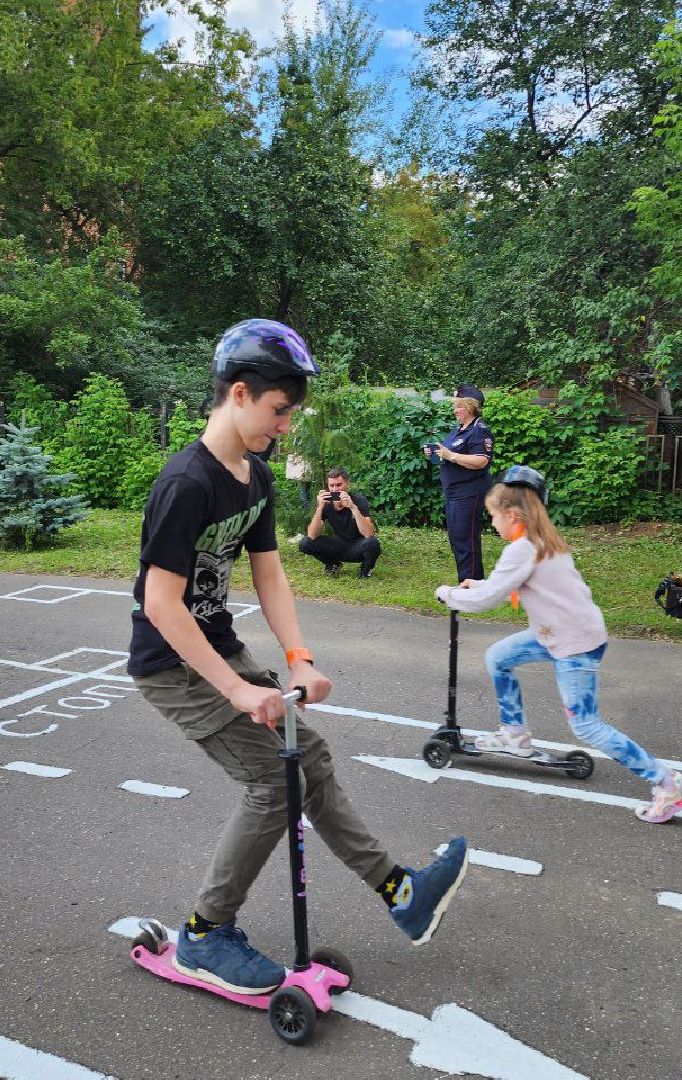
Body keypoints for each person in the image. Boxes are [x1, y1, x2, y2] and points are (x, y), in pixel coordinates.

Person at [128, 318, 469, 995]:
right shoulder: (185, 483)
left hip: (218, 645)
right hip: (174, 665)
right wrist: (234, 689)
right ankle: (204, 933)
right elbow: (162, 604)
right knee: (274, 783)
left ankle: (400, 890)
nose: (284, 426)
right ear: (240, 393)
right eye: (279, 411)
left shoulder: (251, 476)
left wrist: (299, 657)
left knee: (308, 759)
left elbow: (269, 574)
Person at [435, 465, 682, 825]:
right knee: (499, 656)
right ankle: (514, 734)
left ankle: (666, 782)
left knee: (586, 725)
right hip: (558, 633)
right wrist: (475, 585)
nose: (492, 523)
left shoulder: (522, 550)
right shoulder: (542, 542)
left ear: (513, 516)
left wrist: (448, 594)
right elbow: (501, 585)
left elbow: (490, 599)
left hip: (573, 643)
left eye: (493, 516)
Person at [424, 384, 493, 582]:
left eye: (458, 406)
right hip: (454, 494)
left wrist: (450, 455)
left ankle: (471, 584)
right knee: (457, 538)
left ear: (470, 407)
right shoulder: (460, 429)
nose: (455, 410)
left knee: (466, 539)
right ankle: (468, 581)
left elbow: (481, 460)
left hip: (469, 493)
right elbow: (449, 453)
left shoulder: (479, 431)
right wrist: (436, 453)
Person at [298, 467, 381, 578]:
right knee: (305, 543)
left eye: (339, 485)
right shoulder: (326, 503)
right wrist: (319, 508)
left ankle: (365, 571)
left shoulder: (359, 500)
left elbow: (369, 534)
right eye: (331, 486)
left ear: (347, 484)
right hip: (338, 545)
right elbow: (312, 535)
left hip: (357, 546)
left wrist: (353, 507)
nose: (335, 489)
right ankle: (332, 564)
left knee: (373, 543)